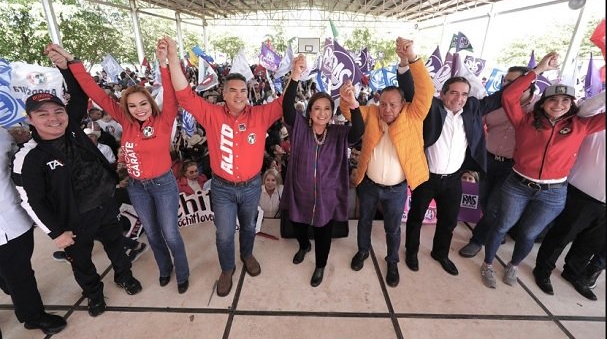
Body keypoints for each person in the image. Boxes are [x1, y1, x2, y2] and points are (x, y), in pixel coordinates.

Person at [45, 39, 190, 294]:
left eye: (143, 104)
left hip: (163, 184)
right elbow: (96, 92)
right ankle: (164, 268)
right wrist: (71, 62)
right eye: (132, 106)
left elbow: (170, 93)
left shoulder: (164, 119)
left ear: (151, 103)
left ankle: (183, 273)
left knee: (170, 233)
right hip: (137, 187)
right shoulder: (125, 120)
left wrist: (163, 63)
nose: (138, 110)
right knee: (152, 233)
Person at [12, 47, 142, 318]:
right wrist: (55, 232)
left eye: (58, 111)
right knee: (82, 263)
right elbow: (32, 201)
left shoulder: (71, 127)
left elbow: (80, 95)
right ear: (29, 119)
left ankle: (124, 276)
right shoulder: (29, 157)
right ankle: (94, 295)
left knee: (116, 246)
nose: (53, 118)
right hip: (73, 221)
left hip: (105, 205)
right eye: (43, 114)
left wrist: (66, 68)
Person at [166, 37, 284, 297]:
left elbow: (282, 103)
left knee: (249, 227)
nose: (239, 94)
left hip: (252, 187)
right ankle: (227, 269)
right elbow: (184, 95)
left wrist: (295, 74)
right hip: (222, 189)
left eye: (243, 90)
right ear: (224, 93)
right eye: (233, 90)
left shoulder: (260, 115)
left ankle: (247, 255)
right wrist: (173, 59)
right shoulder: (211, 114)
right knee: (224, 235)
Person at [480, 53, 606, 289]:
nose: (558, 104)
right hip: (517, 185)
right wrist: (537, 70)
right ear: (543, 102)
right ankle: (487, 264)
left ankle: (513, 265)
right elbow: (508, 96)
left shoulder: (580, 125)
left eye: (565, 100)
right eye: (553, 100)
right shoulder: (524, 121)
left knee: (528, 234)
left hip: (553, 193)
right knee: (501, 225)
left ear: (572, 104)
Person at [340, 38, 433, 287]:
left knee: (393, 228)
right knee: (364, 222)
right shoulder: (371, 113)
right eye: (383, 103)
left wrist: (411, 58)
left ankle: (392, 261)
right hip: (368, 185)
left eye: (392, 105)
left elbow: (426, 90)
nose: (386, 109)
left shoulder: (414, 115)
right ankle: (362, 251)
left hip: (396, 190)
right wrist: (347, 98)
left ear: (403, 105)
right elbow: (349, 112)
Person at [405, 67, 504, 276]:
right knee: (415, 218)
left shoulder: (472, 110)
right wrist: (407, 63)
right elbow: (410, 89)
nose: (459, 98)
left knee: (448, 221)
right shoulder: (432, 107)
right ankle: (411, 252)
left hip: (453, 180)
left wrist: (538, 70)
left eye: (464, 94)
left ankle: (440, 253)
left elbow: (500, 97)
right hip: (426, 177)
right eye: (454, 93)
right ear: (443, 94)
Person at [281, 55, 364, 287]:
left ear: (332, 112)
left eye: (327, 108)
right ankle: (303, 246)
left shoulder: (338, 134)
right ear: (309, 112)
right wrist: (295, 76)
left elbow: (358, 131)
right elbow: (287, 107)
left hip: (327, 195)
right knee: (298, 223)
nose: (322, 112)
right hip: (300, 190)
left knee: (323, 231)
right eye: (317, 108)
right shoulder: (298, 128)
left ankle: (320, 265)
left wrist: (353, 104)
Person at [459, 66, 540, 258]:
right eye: (506, 81)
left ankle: (477, 240)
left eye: (513, 82)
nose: (507, 85)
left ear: (529, 84)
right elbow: (477, 125)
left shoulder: (539, 108)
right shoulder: (495, 103)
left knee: (494, 207)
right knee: (484, 201)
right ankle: (496, 229)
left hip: (512, 167)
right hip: (487, 160)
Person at [533, 91, 605, 300]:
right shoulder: (595, 123)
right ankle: (543, 269)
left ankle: (573, 273)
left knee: (590, 243)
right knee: (561, 236)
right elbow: (585, 109)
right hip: (581, 194)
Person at [0, 127, 67, 335]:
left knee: (19, 272)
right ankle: (30, 312)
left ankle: (30, 313)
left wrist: (18, 138)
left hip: (13, 221)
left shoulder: (2, 134)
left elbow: (17, 158)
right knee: (16, 275)